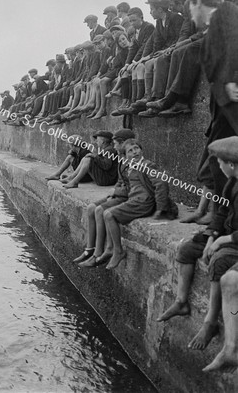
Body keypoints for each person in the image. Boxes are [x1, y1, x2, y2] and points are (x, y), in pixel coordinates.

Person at [158, 136, 238, 357]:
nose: (218, 167)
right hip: (226, 234)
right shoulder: (232, 181)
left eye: (220, 162)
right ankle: (181, 301)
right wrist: (212, 235)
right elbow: (222, 212)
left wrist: (224, 240)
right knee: (186, 249)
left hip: (234, 240)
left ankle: (210, 322)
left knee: (218, 260)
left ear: (231, 164)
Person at [181, 0, 238, 226]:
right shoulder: (212, 27)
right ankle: (220, 216)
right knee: (215, 158)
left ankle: (221, 219)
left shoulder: (226, 11)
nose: (192, 17)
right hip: (221, 104)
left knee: (216, 158)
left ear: (197, 3)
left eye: (191, 10)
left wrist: (232, 77)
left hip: (231, 95)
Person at [103, 139, 178, 270]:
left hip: (144, 202)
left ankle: (118, 251)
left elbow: (161, 183)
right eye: (130, 151)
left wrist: (160, 208)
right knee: (105, 212)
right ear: (126, 156)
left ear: (141, 150)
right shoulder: (130, 167)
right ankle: (111, 248)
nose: (134, 152)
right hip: (134, 200)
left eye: (136, 148)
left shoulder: (147, 165)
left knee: (109, 215)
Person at [74, 129, 135, 268]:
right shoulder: (122, 158)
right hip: (119, 193)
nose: (114, 146)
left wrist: (117, 192)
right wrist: (114, 191)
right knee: (90, 208)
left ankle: (99, 252)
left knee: (100, 210)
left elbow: (133, 187)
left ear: (124, 143)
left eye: (115, 143)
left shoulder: (132, 160)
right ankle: (90, 249)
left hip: (126, 197)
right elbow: (120, 181)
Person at [111, 7, 154, 116]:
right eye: (130, 21)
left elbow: (145, 46)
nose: (132, 23)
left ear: (141, 18)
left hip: (150, 55)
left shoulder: (148, 27)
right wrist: (127, 64)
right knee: (132, 69)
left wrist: (136, 61)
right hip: (142, 57)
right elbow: (133, 48)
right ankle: (133, 103)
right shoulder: (135, 31)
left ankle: (138, 101)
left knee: (138, 68)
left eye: (134, 20)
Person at [90, 31, 130, 120]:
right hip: (116, 69)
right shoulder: (118, 49)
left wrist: (113, 61)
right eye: (120, 41)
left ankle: (102, 108)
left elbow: (118, 63)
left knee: (102, 81)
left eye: (123, 39)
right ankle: (99, 108)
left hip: (119, 69)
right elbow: (110, 63)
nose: (122, 42)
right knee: (99, 81)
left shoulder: (111, 49)